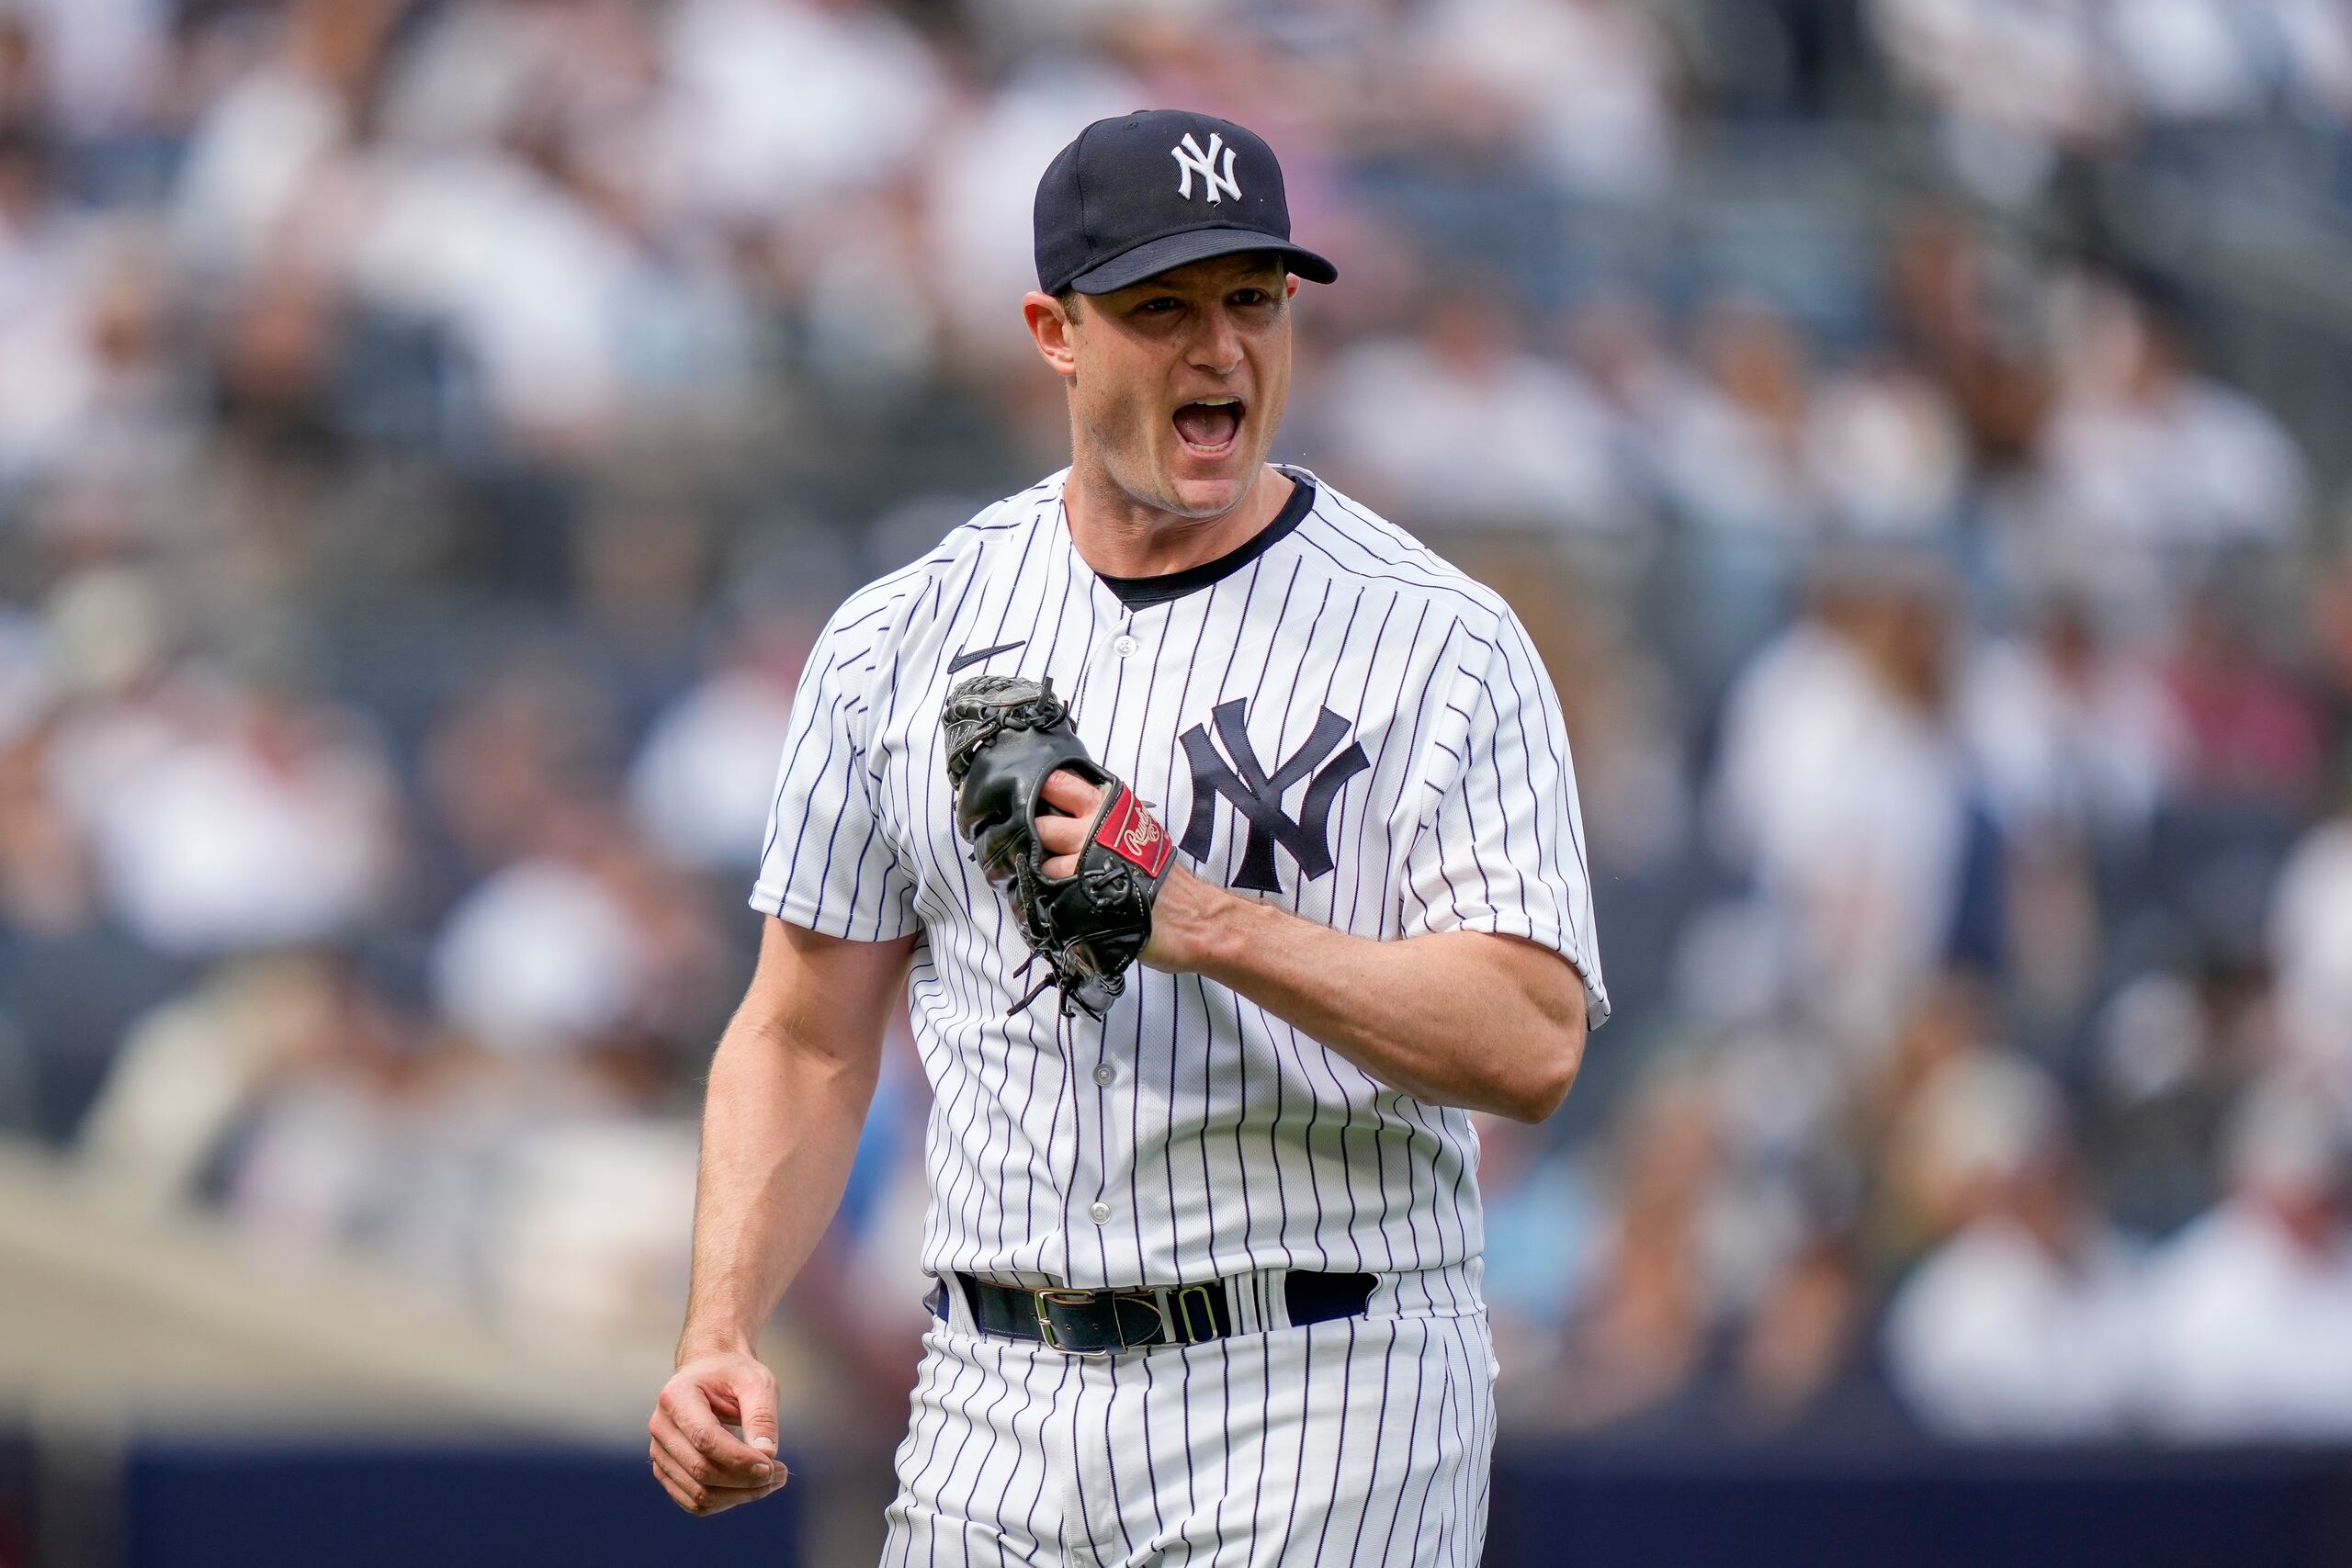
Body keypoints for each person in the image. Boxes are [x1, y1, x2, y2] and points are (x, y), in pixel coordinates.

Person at [644, 109, 1608, 1563]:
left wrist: (1206, 920)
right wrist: (720, 1323)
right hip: (990, 1389)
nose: (1220, 350)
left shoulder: (1439, 642)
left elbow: (1531, 1042)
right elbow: (802, 1034)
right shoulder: (902, 639)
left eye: (1253, 301)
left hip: (1322, 1381)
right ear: (1056, 331)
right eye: (1162, 309)